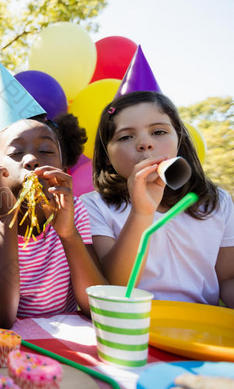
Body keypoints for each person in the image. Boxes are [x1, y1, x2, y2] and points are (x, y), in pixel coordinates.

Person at [82, 91, 233, 308]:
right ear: (107, 155)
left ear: (179, 139)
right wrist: (141, 212)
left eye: (159, 131)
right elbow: (114, 285)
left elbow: (227, 278)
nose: (145, 144)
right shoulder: (94, 205)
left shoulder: (216, 201)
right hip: (134, 324)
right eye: (126, 137)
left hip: (202, 326)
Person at [0, 113, 107, 328]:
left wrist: (68, 234)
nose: (31, 160)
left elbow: (97, 307)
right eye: (16, 152)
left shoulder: (74, 211)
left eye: (46, 151)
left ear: (63, 167)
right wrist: (7, 218)